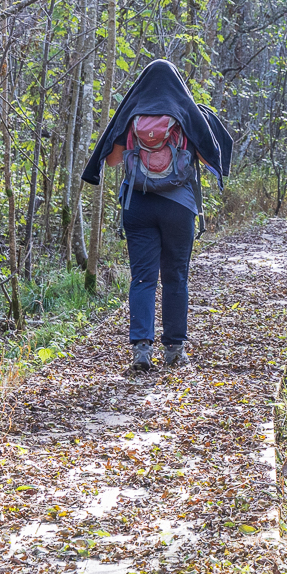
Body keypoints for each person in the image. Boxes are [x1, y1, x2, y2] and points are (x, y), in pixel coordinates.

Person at [81, 59, 232, 370]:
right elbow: (208, 159)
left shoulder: (132, 114)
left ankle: (141, 350)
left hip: (138, 206)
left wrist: (140, 143)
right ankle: (174, 351)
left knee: (142, 278)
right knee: (176, 276)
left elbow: (111, 161)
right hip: (179, 207)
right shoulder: (185, 111)